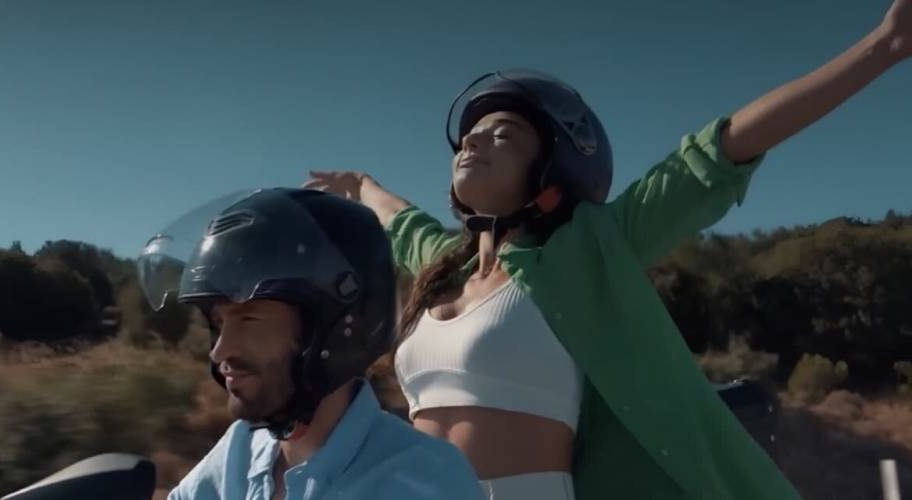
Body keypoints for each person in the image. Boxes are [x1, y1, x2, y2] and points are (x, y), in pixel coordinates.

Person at [304, 2, 912, 498]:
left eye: (503, 134)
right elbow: (401, 221)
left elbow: (723, 150)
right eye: (468, 135)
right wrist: (361, 185)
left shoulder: (590, 251)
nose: (474, 142)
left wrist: (883, 45)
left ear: (552, 168)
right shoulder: (443, 267)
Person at [137, 188, 484, 500]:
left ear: (339, 326)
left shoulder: (426, 481)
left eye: (249, 319)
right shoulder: (239, 452)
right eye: (217, 323)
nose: (220, 351)